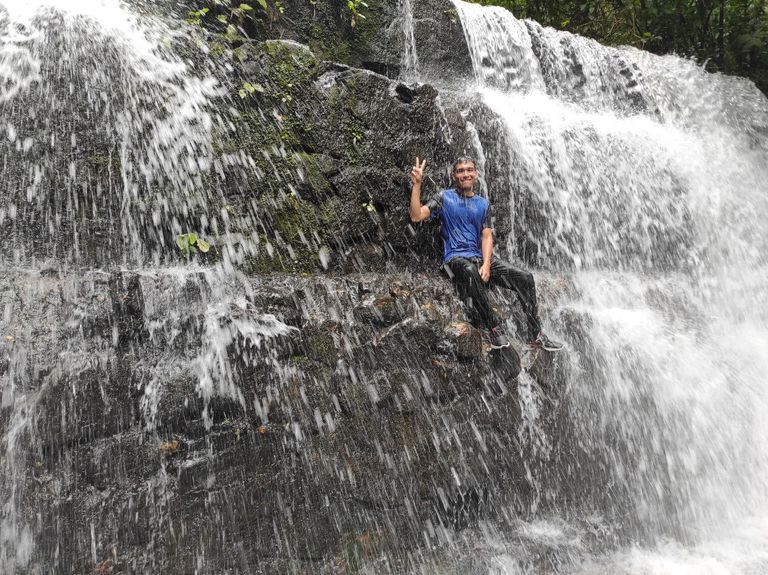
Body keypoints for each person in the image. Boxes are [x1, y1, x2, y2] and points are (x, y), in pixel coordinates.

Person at [409, 156, 563, 351]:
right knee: (469, 270)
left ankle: (536, 334)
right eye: (461, 171)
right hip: (455, 258)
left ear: (476, 174)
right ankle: (494, 328)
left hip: (480, 258)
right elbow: (416, 216)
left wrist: (487, 264)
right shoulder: (444, 197)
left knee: (525, 278)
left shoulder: (483, 203)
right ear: (454, 176)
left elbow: (486, 236)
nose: (465, 174)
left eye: (469, 170)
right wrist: (417, 185)